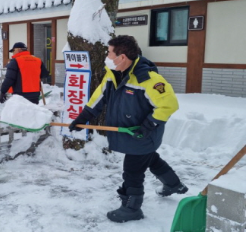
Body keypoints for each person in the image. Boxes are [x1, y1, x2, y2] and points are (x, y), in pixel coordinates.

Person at [68, 35, 187, 223]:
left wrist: (148, 126)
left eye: (109, 53)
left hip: (144, 134)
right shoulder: (113, 73)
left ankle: (132, 208)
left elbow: (169, 105)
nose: (107, 56)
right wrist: (83, 118)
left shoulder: (148, 79)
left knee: (132, 171)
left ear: (122, 56)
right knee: (150, 158)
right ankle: (174, 184)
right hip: (130, 133)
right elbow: (99, 97)